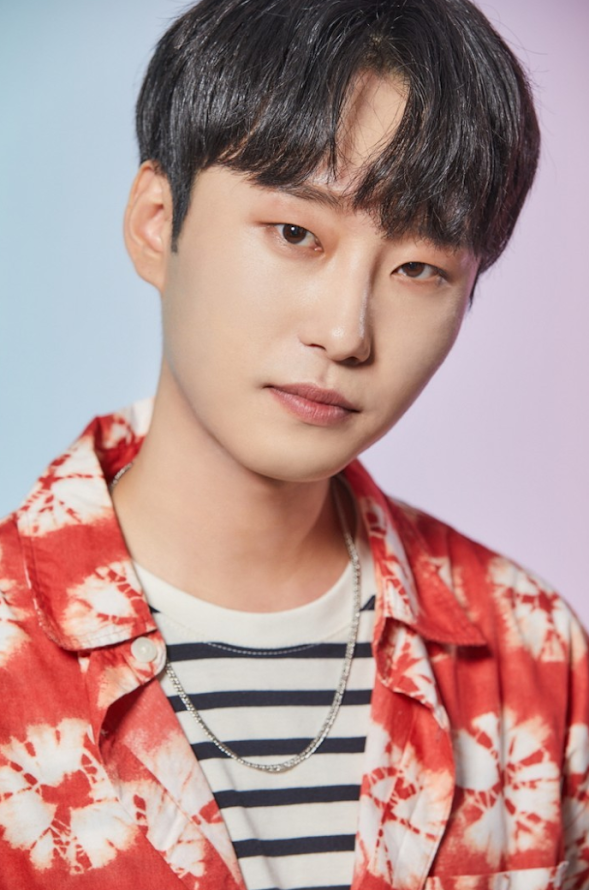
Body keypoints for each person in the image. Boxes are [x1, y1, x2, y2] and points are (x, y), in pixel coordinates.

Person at [0, 0, 587, 887]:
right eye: (295, 233)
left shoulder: (529, 652)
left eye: (418, 269)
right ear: (157, 221)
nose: (345, 333)